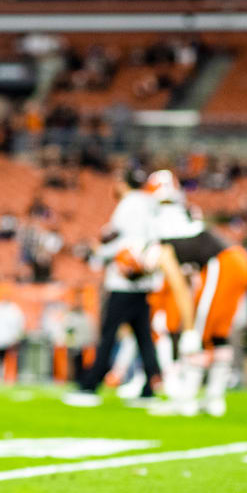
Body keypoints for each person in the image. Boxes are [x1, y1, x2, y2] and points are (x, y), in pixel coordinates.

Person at [64, 169, 197, 407]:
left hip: (125, 282)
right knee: (143, 336)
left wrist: (99, 252)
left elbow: (124, 244)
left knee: (109, 334)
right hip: (145, 282)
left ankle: (91, 384)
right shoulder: (149, 204)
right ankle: (150, 384)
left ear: (122, 184)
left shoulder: (129, 205)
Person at [143, 170, 247, 417]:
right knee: (218, 334)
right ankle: (215, 398)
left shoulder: (159, 233)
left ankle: (186, 399)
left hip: (221, 264)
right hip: (240, 261)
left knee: (200, 336)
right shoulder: (177, 214)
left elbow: (180, 286)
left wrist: (191, 327)